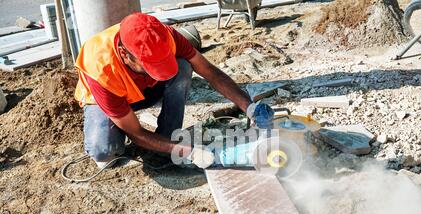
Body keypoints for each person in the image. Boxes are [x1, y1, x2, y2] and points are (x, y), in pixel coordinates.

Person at [75, 13, 273, 169]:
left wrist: (249, 106)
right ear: (125, 55)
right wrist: (189, 152)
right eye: (151, 67)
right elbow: (135, 133)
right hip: (108, 97)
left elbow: (209, 71)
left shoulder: (165, 36)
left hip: (144, 90)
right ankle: (151, 142)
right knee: (104, 153)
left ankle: (167, 137)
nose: (158, 73)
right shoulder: (100, 68)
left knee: (184, 67)